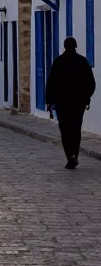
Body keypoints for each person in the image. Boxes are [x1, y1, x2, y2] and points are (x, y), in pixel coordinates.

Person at [45, 36, 96, 169]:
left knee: (65, 130)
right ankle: (75, 155)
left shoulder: (58, 62)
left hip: (62, 104)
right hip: (78, 103)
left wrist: (50, 102)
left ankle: (70, 156)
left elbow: (51, 84)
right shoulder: (82, 61)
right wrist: (86, 97)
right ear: (75, 46)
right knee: (75, 129)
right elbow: (91, 83)